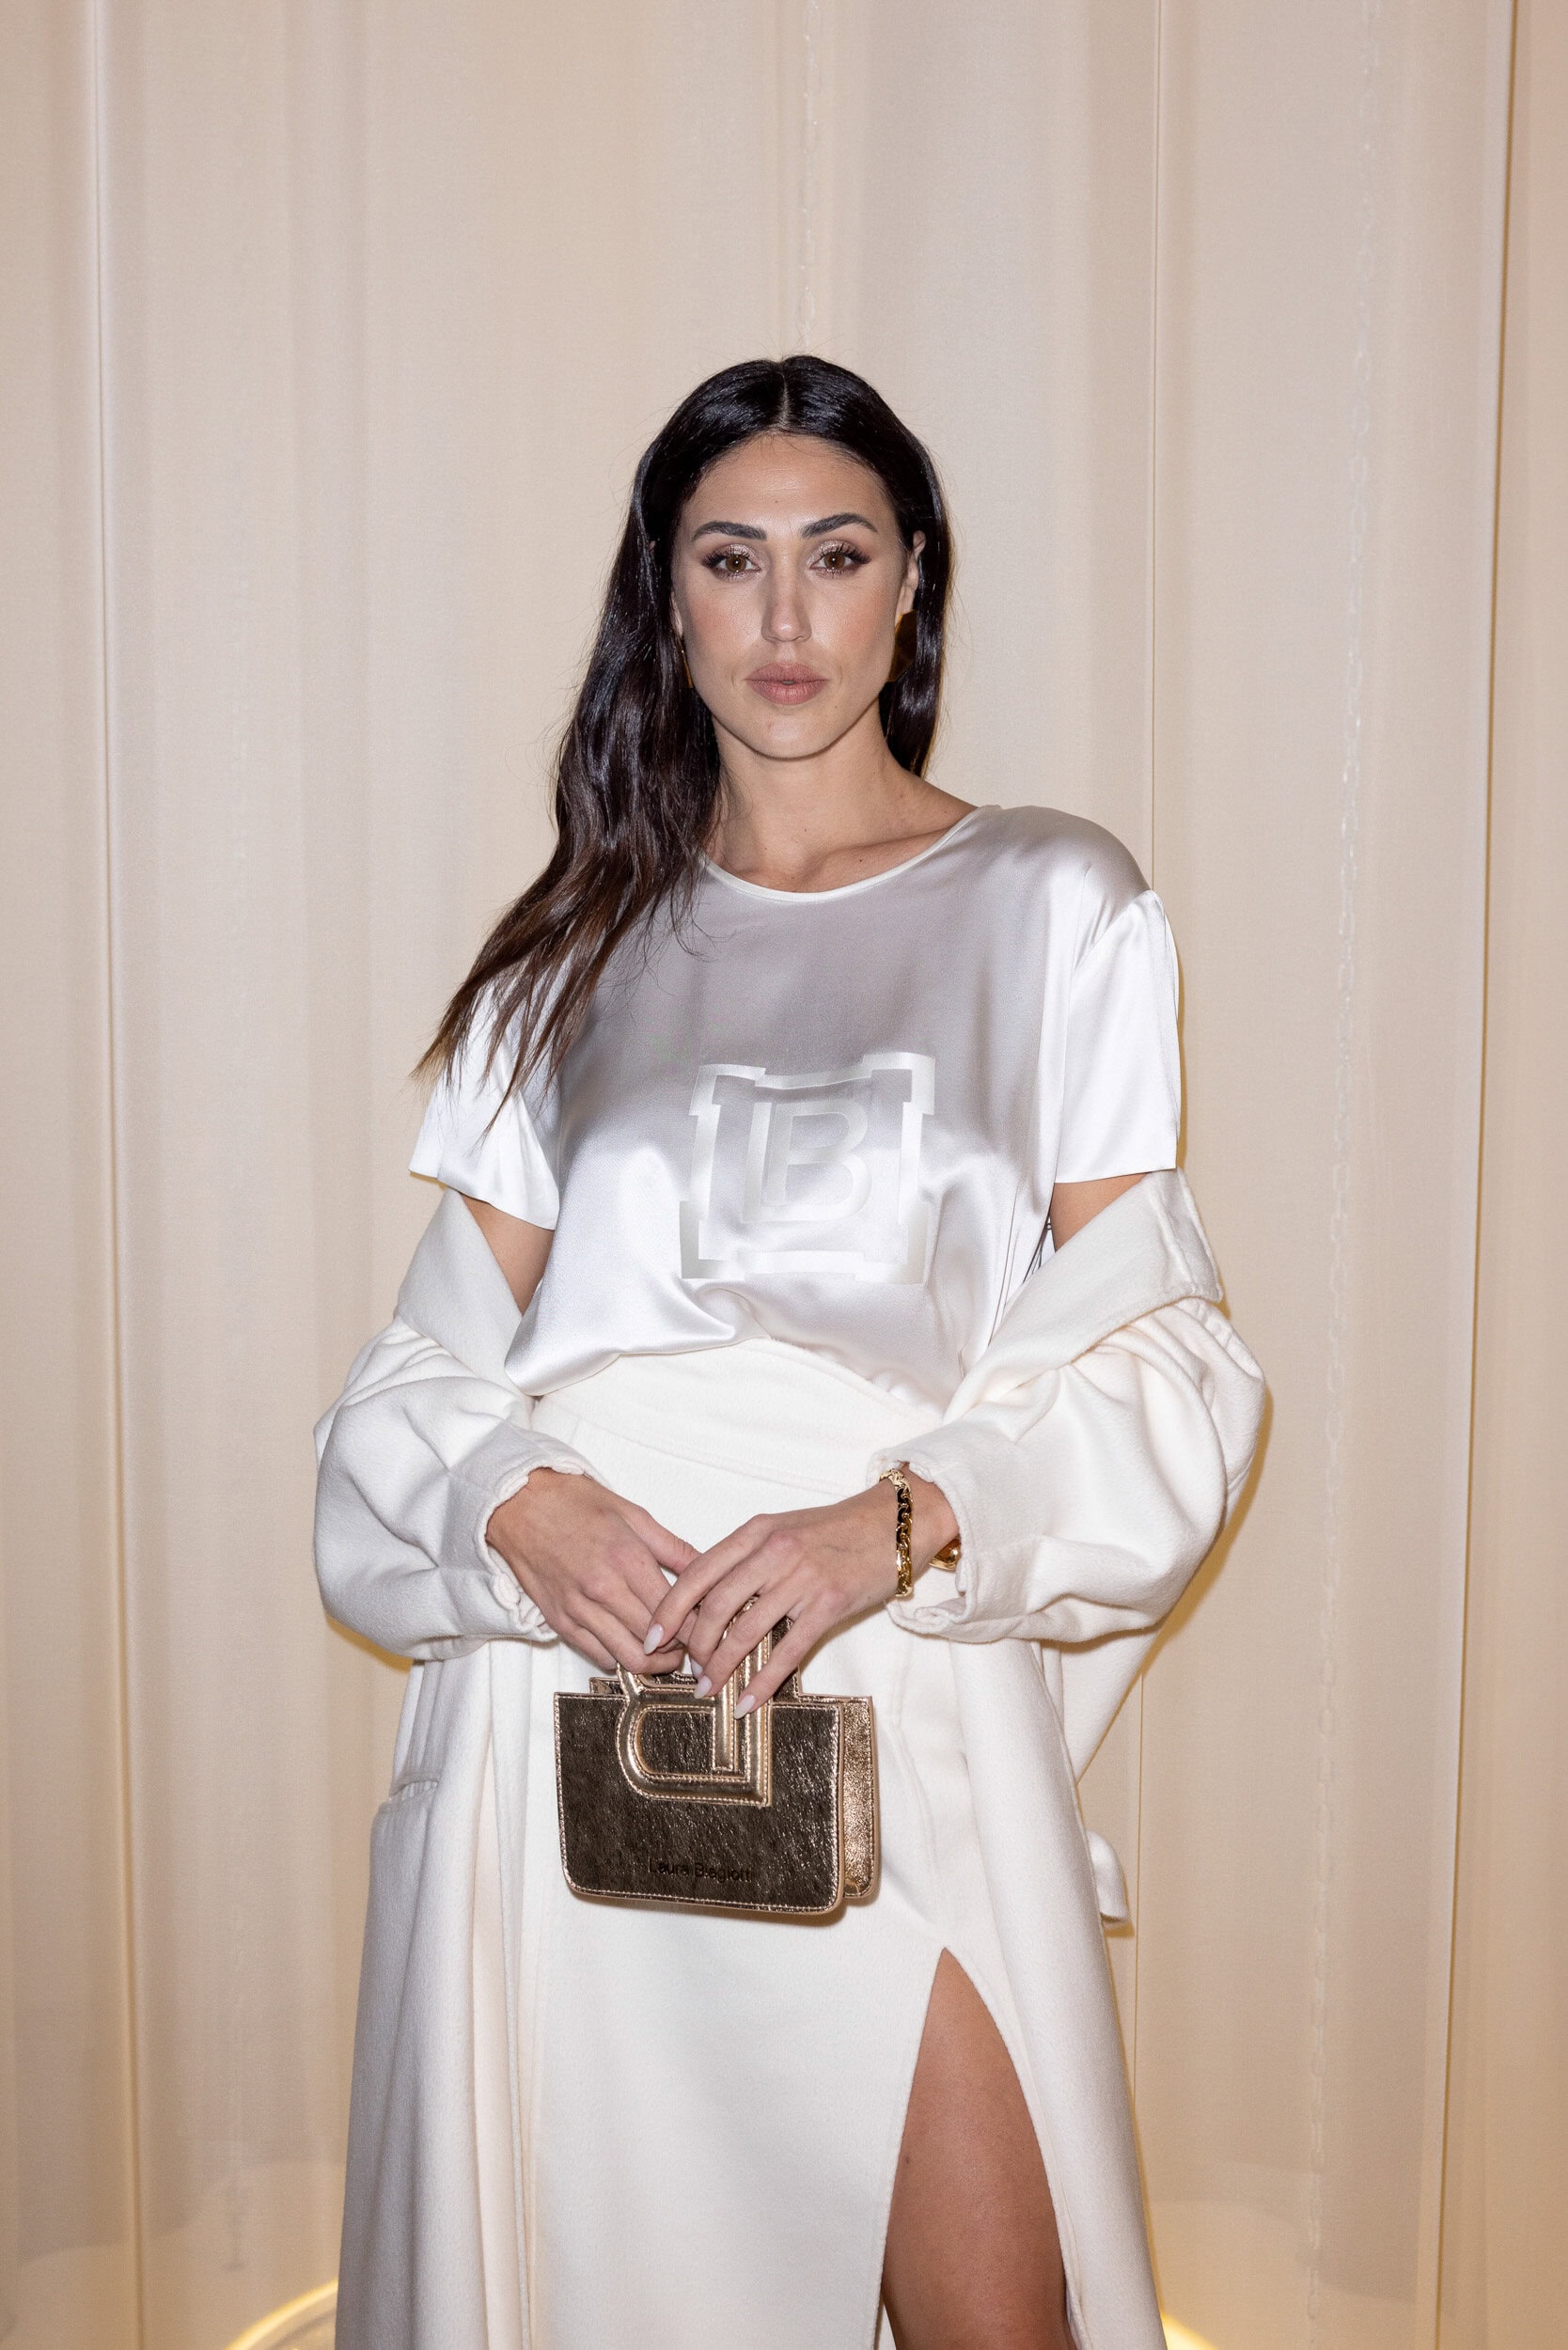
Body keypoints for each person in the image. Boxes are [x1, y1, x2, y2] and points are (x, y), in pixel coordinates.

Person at [313, 354, 1264, 2350]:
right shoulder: (570, 952)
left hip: (890, 1682)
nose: (783, 615)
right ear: (664, 596)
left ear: (913, 582)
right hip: (571, 1702)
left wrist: (894, 1523)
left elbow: (1167, 1360)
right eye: (728, 558)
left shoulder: (1058, 900)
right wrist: (517, 1504)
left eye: (836, 556)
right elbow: (404, 1393)